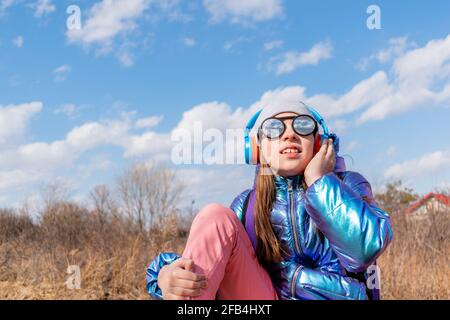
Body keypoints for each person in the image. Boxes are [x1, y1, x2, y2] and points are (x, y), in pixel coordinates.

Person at [146, 101, 393, 300]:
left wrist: (319, 180)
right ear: (257, 149)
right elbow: (209, 261)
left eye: (302, 125)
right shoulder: (247, 206)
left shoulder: (347, 184)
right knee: (214, 216)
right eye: (274, 129)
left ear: (318, 143)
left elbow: (364, 250)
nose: (289, 135)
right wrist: (165, 277)